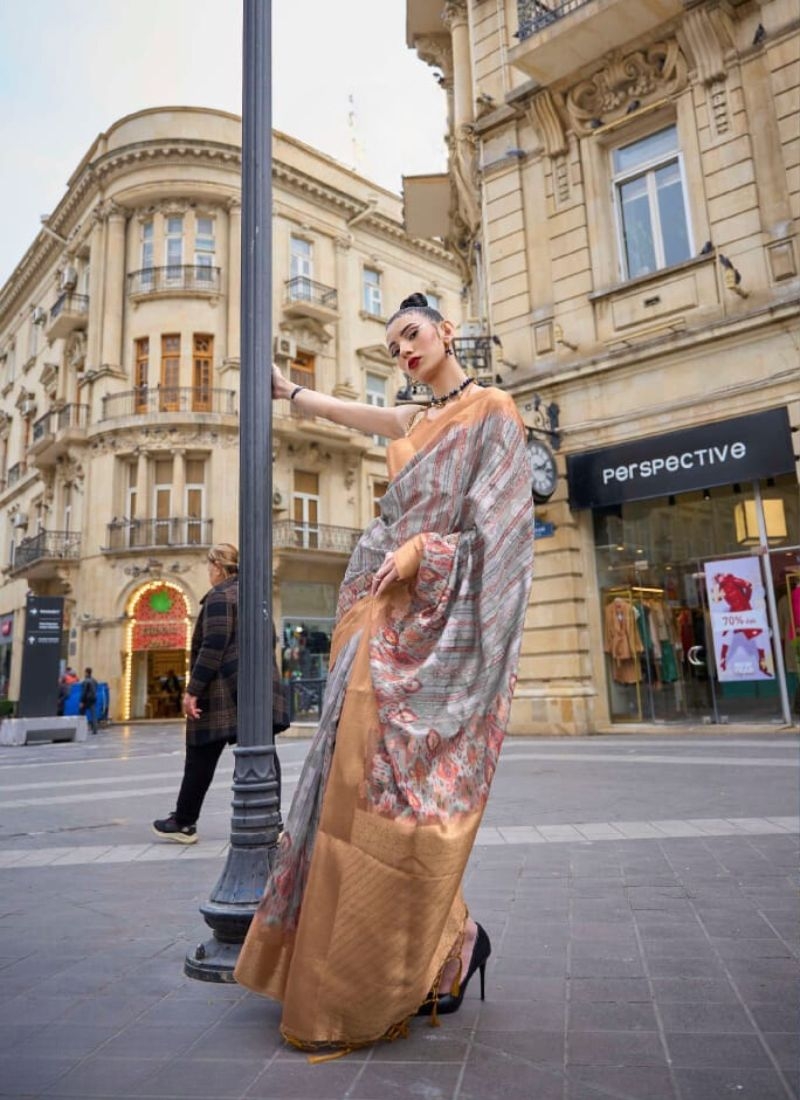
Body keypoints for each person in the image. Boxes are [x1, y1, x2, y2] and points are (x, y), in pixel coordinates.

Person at [234, 293, 534, 1054]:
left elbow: (499, 540)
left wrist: (422, 554)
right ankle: (442, 944)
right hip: (381, 621)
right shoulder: (413, 422)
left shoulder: (493, 411)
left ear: (446, 331)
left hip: (434, 625)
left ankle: (435, 949)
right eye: (392, 340)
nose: (402, 347)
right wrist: (290, 392)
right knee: (350, 790)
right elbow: (356, 416)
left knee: (402, 801)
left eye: (412, 333)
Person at [152, 544, 289, 844]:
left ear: (218, 566)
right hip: (257, 687)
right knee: (262, 749)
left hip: (224, 689)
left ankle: (185, 822)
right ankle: (272, 820)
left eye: (209, 565)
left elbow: (213, 646)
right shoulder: (257, 597)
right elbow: (273, 639)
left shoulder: (219, 596)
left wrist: (192, 691)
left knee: (201, 751)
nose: (208, 571)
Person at [78, 668, 98, 734]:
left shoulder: (85, 681)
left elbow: (84, 692)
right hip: (93, 699)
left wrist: (81, 701)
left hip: (86, 700)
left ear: (86, 672)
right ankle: (95, 729)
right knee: (93, 715)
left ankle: (80, 728)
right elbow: (96, 689)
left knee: (81, 714)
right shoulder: (94, 681)